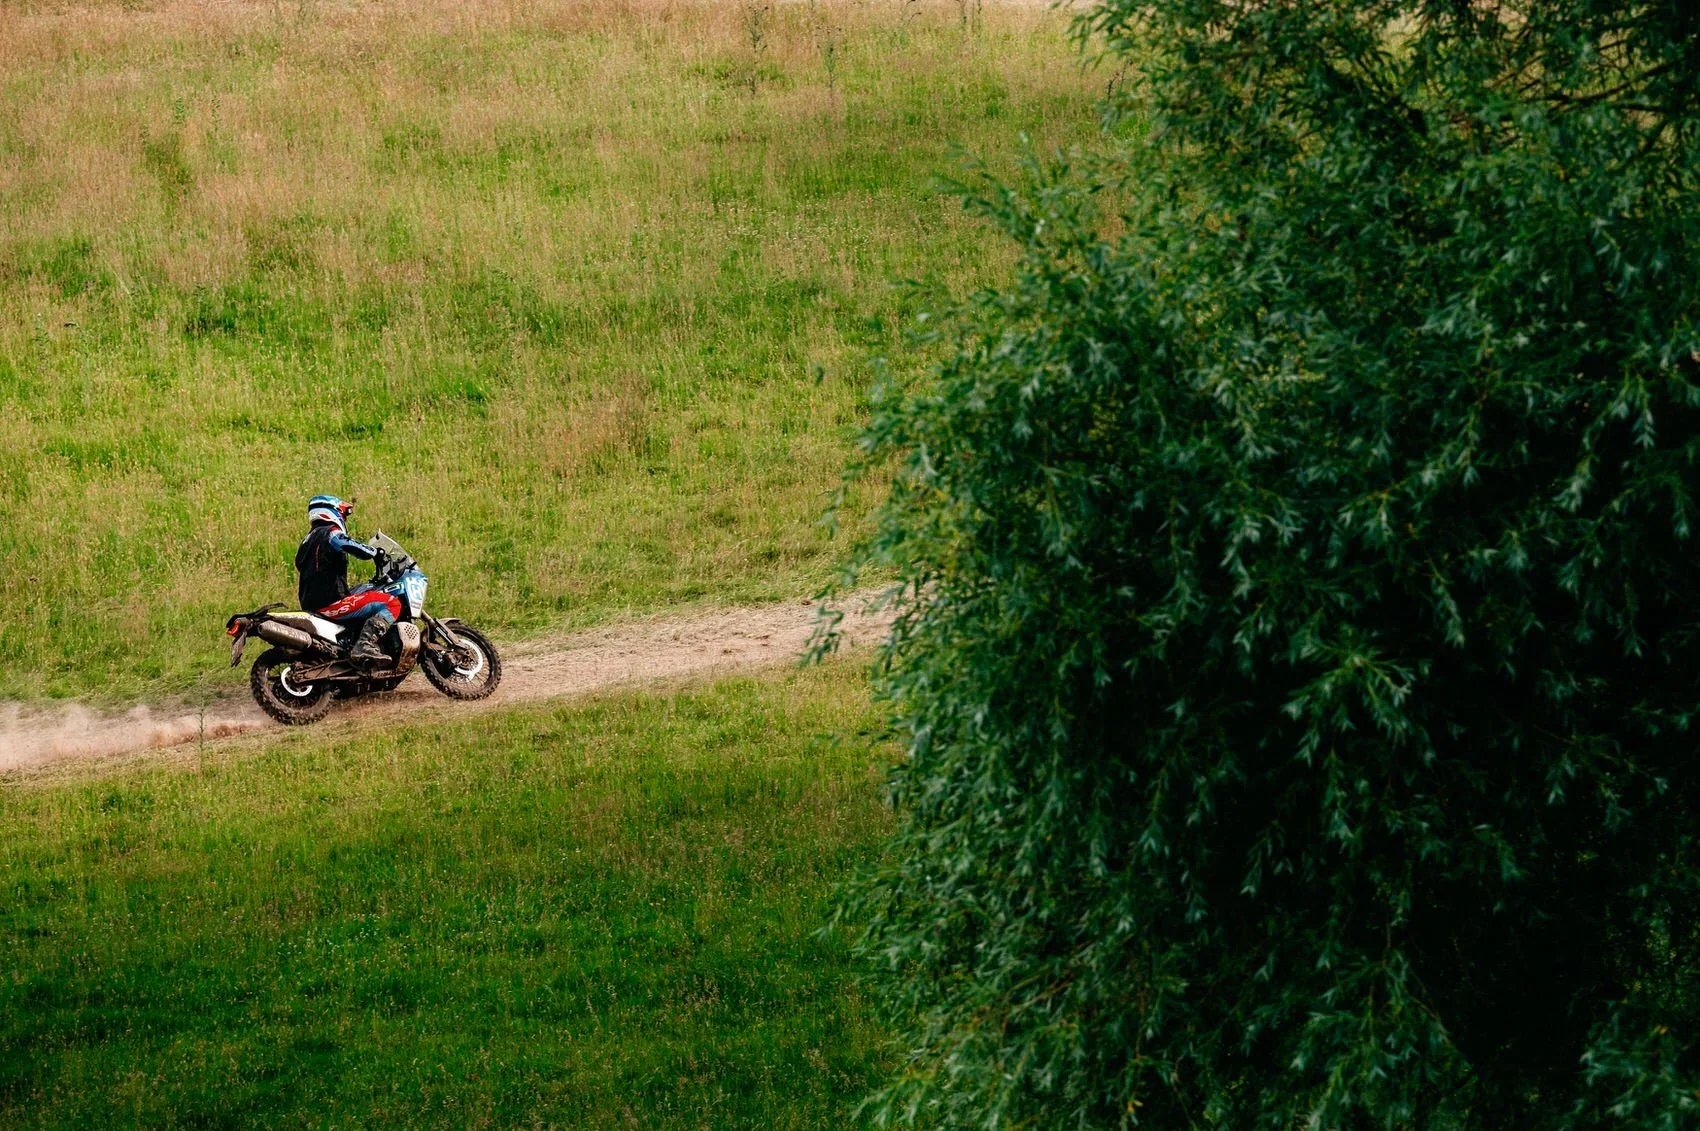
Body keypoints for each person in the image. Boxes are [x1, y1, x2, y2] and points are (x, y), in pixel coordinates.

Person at [295, 494, 399, 666]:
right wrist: (374, 552)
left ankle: (352, 644)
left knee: (362, 591)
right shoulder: (330, 533)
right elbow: (349, 545)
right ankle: (364, 644)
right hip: (331, 602)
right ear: (330, 512)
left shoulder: (306, 542)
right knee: (391, 603)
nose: (344, 518)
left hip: (310, 604)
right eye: (343, 514)